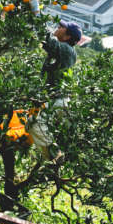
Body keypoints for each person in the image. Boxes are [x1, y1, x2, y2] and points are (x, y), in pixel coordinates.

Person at [28, 20, 82, 161]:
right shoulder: (61, 50)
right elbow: (46, 43)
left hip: (58, 101)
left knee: (33, 122)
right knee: (33, 123)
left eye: (62, 27)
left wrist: (35, 14)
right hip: (50, 99)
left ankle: (55, 156)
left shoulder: (66, 50)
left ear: (67, 36)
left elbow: (46, 39)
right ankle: (54, 159)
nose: (58, 27)